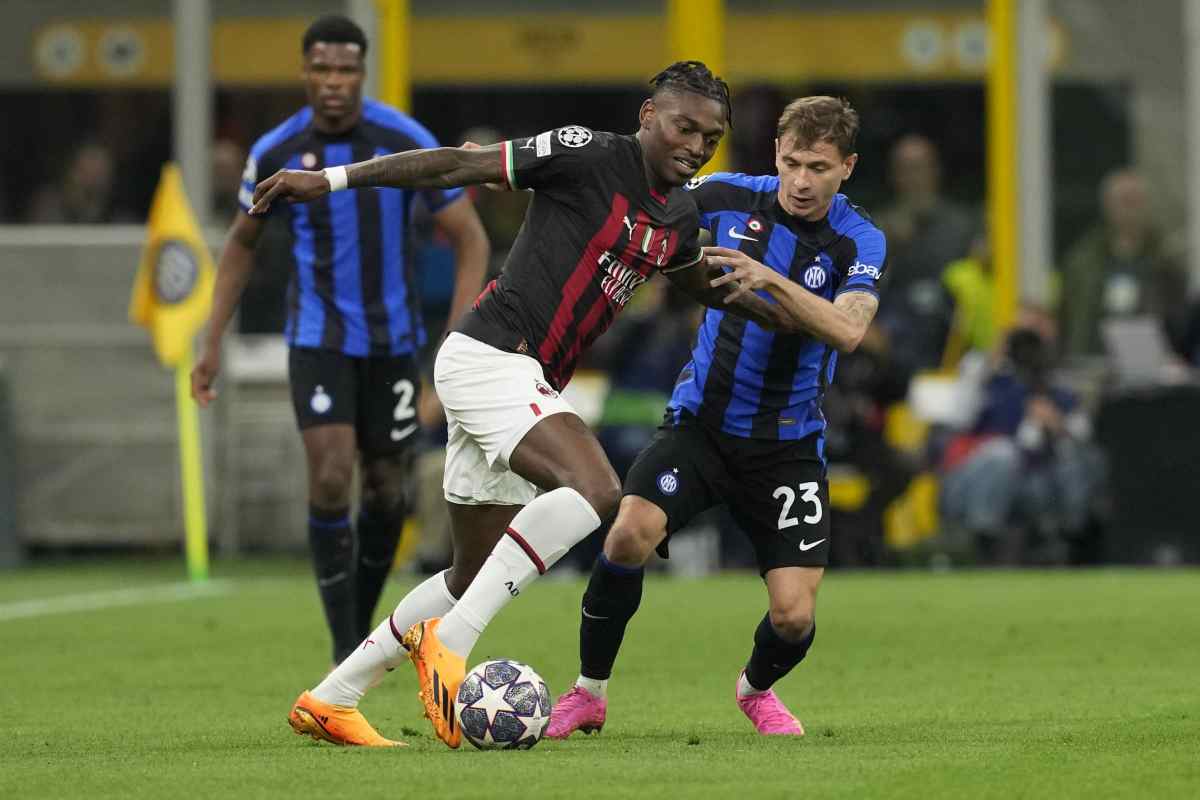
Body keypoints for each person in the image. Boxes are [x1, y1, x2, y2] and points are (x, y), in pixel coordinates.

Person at [252, 61, 793, 749]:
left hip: (525, 379)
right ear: (647, 116)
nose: (695, 145)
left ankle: (332, 697)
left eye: (711, 136)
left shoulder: (680, 215)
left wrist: (799, 306)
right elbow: (458, 165)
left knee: (469, 571)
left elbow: (704, 284)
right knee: (598, 490)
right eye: (684, 126)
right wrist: (330, 180)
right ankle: (448, 647)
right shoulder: (587, 154)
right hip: (489, 357)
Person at [545, 96, 887, 739]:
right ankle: (589, 691)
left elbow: (847, 330)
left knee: (793, 618)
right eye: (791, 163)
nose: (802, 180)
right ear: (776, 157)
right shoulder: (728, 194)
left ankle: (755, 690)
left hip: (787, 444)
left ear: (848, 167)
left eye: (818, 166)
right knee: (627, 534)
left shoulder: (860, 239)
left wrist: (768, 279)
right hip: (700, 424)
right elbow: (648, 201)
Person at [190, 15, 489, 669]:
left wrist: (458, 338)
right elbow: (242, 243)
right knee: (330, 477)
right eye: (322, 69)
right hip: (318, 339)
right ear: (304, 72)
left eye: (346, 70)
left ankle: (359, 624)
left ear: (363, 72)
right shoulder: (275, 150)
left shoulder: (400, 138)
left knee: (388, 490)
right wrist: (211, 339)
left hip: (395, 344)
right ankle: (345, 644)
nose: (333, 83)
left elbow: (470, 237)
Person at [1058, 168, 1188, 360]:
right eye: (1123, 200)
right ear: (1107, 205)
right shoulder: (1082, 261)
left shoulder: (1166, 261)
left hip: (1150, 366)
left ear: (1147, 205)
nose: (1129, 208)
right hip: (1090, 361)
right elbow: (1065, 315)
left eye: (1135, 200)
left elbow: (1181, 320)